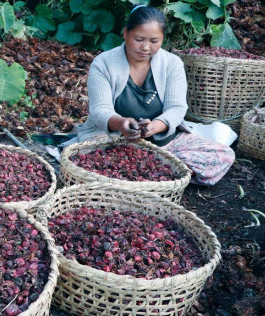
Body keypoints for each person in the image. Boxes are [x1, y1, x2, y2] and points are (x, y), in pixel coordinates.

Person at [70, 4, 235, 186]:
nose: (146, 47)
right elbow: (99, 109)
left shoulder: (172, 64)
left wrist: (154, 127)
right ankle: (159, 177)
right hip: (114, 139)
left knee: (223, 155)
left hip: (164, 144)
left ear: (163, 39)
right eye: (139, 39)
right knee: (86, 160)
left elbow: (177, 108)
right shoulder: (103, 64)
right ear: (125, 33)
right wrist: (122, 123)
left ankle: (148, 175)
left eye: (154, 41)